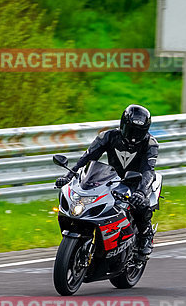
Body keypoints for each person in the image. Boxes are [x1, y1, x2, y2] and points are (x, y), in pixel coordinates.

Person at [55, 104, 159, 257]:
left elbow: (148, 169)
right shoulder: (108, 136)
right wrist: (69, 176)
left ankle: (146, 235)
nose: (133, 135)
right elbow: (88, 157)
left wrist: (141, 192)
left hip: (137, 181)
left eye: (139, 132)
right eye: (131, 130)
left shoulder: (150, 144)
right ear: (123, 125)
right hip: (111, 178)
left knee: (141, 204)